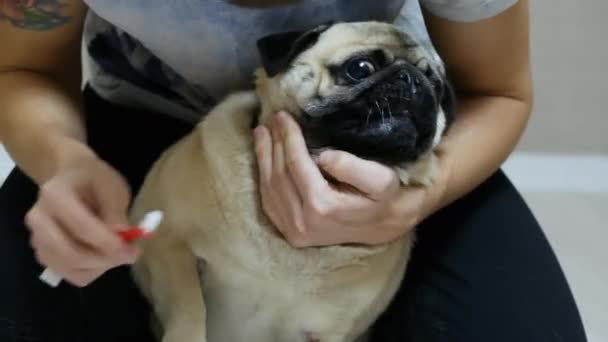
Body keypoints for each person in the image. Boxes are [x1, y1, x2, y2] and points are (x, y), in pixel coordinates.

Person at [0, 0, 588, 341]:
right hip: (138, 120)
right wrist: (63, 160)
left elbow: (499, 92)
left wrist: (415, 201)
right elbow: (23, 71)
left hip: (382, 149)